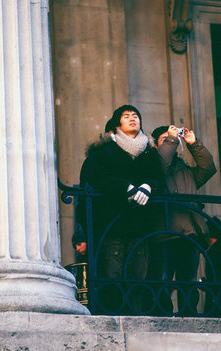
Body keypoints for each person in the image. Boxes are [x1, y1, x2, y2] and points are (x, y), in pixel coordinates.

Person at [77, 104, 164, 313]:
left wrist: (149, 185)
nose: (133, 118)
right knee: (112, 277)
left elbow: (160, 179)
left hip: (142, 227)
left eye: (136, 116)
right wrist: (123, 186)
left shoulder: (150, 155)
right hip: (112, 226)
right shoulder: (104, 153)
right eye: (126, 116)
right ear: (117, 124)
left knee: (139, 277)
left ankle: (136, 319)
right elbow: (95, 180)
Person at [148, 125, 217, 315]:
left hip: (189, 233)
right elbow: (159, 167)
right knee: (162, 278)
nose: (171, 141)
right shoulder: (153, 165)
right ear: (155, 145)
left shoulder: (186, 170)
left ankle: (189, 314)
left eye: (172, 138)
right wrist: (171, 139)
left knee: (189, 279)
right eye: (165, 139)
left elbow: (208, 168)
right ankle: (162, 315)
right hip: (164, 232)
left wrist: (194, 144)